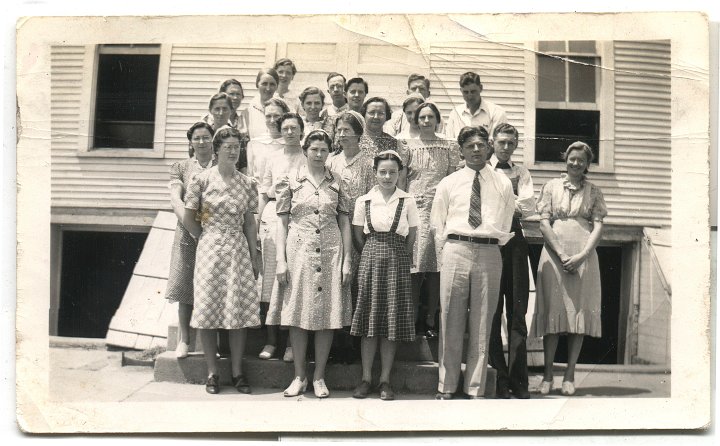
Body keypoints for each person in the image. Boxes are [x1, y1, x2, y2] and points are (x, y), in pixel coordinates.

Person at [430, 126, 515, 400]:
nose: (476, 150)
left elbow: (506, 220)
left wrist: (488, 242)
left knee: (482, 322)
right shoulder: (449, 182)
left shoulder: (502, 182)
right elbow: (436, 222)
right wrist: (444, 254)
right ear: (461, 149)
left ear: (489, 147)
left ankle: (475, 387)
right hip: (455, 248)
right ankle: (447, 385)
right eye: (470, 146)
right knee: (450, 320)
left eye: (480, 145)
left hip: (489, 251)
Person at [270, 129, 353, 399]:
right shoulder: (290, 180)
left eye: (324, 150)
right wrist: (281, 260)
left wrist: (347, 260)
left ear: (330, 152)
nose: (319, 154)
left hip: (330, 251)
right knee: (298, 313)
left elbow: (344, 221)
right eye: (314, 149)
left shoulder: (338, 181)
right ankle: (299, 376)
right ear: (305, 150)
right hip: (299, 251)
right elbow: (282, 222)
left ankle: (319, 377)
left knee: (327, 316)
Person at [182, 126, 261, 395]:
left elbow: (249, 223)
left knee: (236, 310)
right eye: (226, 146)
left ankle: (237, 372)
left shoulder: (248, 183)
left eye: (236, 146)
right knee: (208, 310)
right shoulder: (201, 180)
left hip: (237, 248)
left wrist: (254, 255)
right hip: (210, 247)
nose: (232, 150)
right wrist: (204, 237)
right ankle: (213, 372)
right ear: (216, 149)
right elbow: (189, 217)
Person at [530, 141, 607, 397]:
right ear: (566, 159)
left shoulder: (594, 191)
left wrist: (582, 255)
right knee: (553, 314)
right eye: (572, 158)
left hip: (583, 256)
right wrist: (563, 254)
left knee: (578, 315)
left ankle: (570, 375)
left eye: (581, 160)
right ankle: (548, 375)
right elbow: (544, 224)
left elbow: (598, 226)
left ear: (588, 163)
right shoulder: (551, 186)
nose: (576, 163)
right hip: (554, 255)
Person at [350, 150, 419, 401]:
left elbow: (411, 236)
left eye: (392, 171)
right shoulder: (364, 201)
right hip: (370, 258)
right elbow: (358, 236)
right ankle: (366, 378)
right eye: (383, 172)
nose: (388, 176)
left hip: (398, 261)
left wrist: (399, 255)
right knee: (369, 322)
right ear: (375, 173)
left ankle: (385, 380)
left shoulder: (407, 200)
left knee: (391, 322)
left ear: (399, 173)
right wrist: (372, 252)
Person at [403, 102, 461, 339]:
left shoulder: (449, 146)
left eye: (430, 117)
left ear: (437, 120)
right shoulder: (407, 145)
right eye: (422, 117)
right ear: (416, 121)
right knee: (414, 265)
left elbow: (453, 180)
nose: (426, 121)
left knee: (437, 267)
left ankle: (431, 318)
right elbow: (402, 180)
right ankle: (411, 316)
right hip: (414, 209)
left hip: (439, 209)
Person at [486, 123, 536, 400]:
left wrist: (503, 202)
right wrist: (510, 201)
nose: (505, 147)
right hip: (492, 241)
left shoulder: (522, 172)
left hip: (516, 241)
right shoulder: (483, 169)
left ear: (516, 145)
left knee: (517, 312)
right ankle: (500, 379)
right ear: (493, 142)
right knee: (492, 312)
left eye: (511, 143)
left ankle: (520, 381)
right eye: (501, 142)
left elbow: (528, 207)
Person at [326, 110, 376, 363]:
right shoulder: (331, 162)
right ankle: (336, 342)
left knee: (356, 286)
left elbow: (371, 200)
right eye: (339, 130)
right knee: (336, 284)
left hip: (360, 232)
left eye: (346, 130)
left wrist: (362, 235)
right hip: (332, 229)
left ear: (358, 133)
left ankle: (354, 344)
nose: (342, 134)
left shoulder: (368, 163)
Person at [256, 111, 305, 363]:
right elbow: (264, 191)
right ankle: (271, 340)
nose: (289, 132)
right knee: (270, 282)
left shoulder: (308, 158)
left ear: (300, 130)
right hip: (272, 216)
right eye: (285, 128)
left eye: (293, 127)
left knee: (292, 281)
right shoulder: (272, 157)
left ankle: (289, 343)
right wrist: (256, 223)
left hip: (298, 219)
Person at [165, 122, 216, 359]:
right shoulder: (181, 167)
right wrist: (193, 227)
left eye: (206, 137)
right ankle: (184, 340)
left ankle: (210, 346)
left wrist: (207, 227)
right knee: (186, 285)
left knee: (213, 285)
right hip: (187, 231)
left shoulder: (222, 165)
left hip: (216, 232)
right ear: (191, 141)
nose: (202, 142)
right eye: (197, 138)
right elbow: (176, 198)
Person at [359, 96, 409, 190]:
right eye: (372, 112)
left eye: (381, 113)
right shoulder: (355, 141)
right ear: (364, 114)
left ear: (387, 116)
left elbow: (400, 177)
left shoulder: (394, 143)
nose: (376, 117)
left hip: (386, 197)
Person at [444, 72, 508, 141]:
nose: (470, 96)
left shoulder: (496, 113)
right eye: (466, 92)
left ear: (481, 88)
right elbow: (449, 141)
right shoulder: (455, 113)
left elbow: (497, 144)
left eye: (473, 91)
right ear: (461, 91)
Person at [246, 98, 290, 183]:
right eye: (268, 116)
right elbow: (250, 175)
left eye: (277, 116)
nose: (272, 120)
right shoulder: (254, 144)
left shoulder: (292, 144)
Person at [321, 77, 368, 148]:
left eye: (360, 92)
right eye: (353, 92)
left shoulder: (370, 119)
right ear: (345, 94)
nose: (356, 95)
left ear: (365, 94)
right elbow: (326, 146)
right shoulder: (332, 120)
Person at [248, 68, 280, 139]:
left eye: (272, 84)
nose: (268, 88)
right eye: (264, 84)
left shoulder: (282, 107)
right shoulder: (251, 108)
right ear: (257, 84)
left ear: (277, 86)